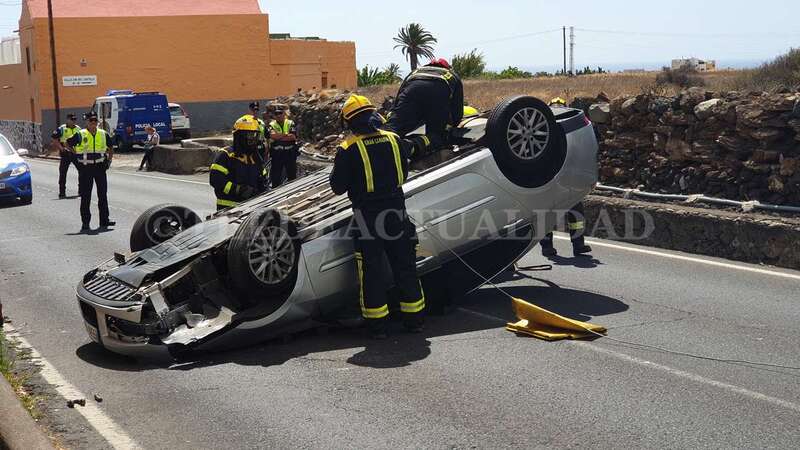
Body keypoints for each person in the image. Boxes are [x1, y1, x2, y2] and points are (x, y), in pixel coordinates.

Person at [330, 94, 425, 339]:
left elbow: (337, 187)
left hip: (368, 218)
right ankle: (414, 320)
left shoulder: (348, 148)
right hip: (397, 214)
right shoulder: (394, 140)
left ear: (348, 122)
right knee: (405, 266)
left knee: (371, 272)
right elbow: (403, 175)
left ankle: (378, 326)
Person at [385, 58, 464, 155]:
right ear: (447, 67)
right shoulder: (452, 75)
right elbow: (457, 111)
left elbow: (398, 100)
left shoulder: (415, 72)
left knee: (393, 129)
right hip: (438, 94)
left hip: (411, 92)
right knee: (436, 136)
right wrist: (452, 127)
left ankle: (384, 146)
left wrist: (394, 120)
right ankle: (412, 146)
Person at [66, 113, 115, 231]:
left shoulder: (103, 134)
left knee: (102, 195)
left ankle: (104, 221)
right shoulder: (81, 134)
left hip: (100, 167)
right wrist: (76, 155)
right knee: (85, 196)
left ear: (97, 123)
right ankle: (85, 223)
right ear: (87, 122)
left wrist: (109, 160)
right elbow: (68, 143)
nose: (93, 124)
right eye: (91, 122)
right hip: (86, 168)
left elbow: (111, 148)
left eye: (95, 122)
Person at [209, 115, 267, 210]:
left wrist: (262, 191)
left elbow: (263, 179)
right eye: (250, 135)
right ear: (239, 136)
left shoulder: (255, 157)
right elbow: (216, 180)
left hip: (251, 209)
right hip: (228, 209)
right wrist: (239, 190)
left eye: (256, 135)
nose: (253, 140)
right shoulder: (226, 155)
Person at [51, 113, 81, 198]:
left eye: (75, 119)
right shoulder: (62, 128)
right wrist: (61, 148)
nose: (74, 121)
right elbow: (54, 138)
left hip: (75, 153)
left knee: (82, 171)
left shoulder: (78, 128)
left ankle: (81, 191)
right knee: (63, 173)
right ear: (67, 120)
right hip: (65, 153)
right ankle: (62, 192)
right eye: (72, 119)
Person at [268, 108, 299, 188]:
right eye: (276, 114)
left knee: (292, 176)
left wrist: (278, 137)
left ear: (284, 114)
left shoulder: (290, 123)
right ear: (274, 116)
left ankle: (292, 190)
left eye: (280, 113)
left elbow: (292, 137)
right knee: (276, 176)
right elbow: (272, 136)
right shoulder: (272, 124)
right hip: (277, 154)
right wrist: (286, 134)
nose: (278, 115)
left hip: (290, 153)